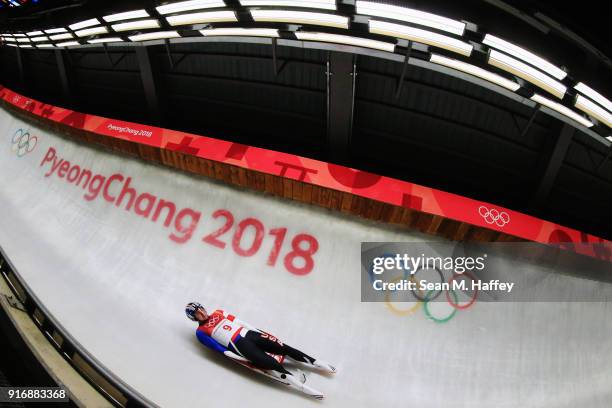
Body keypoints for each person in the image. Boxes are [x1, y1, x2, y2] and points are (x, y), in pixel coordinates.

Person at [185, 302, 336, 394]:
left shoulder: (219, 312)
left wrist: (260, 333)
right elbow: (220, 349)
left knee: (284, 347)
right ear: (194, 317)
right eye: (198, 313)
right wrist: (240, 359)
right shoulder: (201, 333)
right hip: (240, 346)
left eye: (202, 309)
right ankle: (301, 385)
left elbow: (241, 322)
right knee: (271, 363)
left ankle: (316, 362)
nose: (202, 313)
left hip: (251, 334)